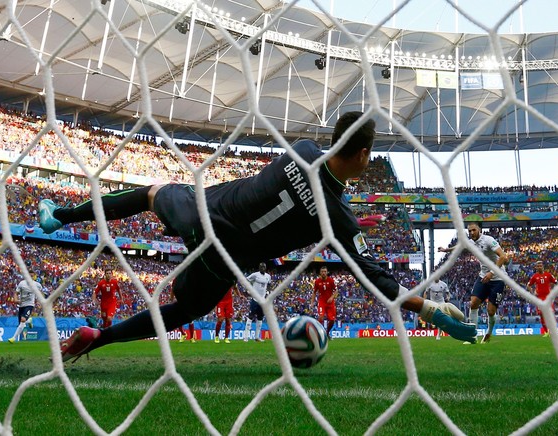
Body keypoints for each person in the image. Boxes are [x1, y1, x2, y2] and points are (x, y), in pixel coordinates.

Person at [42, 111, 476, 362]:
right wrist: (432, 310)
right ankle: (101, 338)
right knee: (186, 308)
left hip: (201, 214)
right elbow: (373, 276)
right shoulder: (338, 219)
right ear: (364, 155)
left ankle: (60, 216)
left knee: (152, 193)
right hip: (224, 259)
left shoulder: (304, 149)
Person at [438, 222, 509, 344]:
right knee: (473, 303)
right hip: (483, 276)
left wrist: (491, 273)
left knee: (491, 311)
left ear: (479, 230)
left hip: (498, 278)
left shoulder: (488, 240)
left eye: (473, 230)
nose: (471, 233)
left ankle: (489, 333)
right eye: (469, 231)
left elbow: (503, 256)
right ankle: (472, 336)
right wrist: (446, 249)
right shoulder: (471, 242)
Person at [526, 260, 557, 338]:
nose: (539, 267)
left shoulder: (548, 275)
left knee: (550, 313)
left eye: (540, 265)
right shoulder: (535, 276)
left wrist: (553, 291)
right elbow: (528, 285)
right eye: (538, 266)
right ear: (536, 267)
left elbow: (555, 282)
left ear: (543, 266)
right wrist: (533, 293)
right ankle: (546, 332)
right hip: (539, 298)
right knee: (541, 314)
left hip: (548, 298)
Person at [8, 275, 42, 344]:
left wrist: (39, 301)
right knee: (21, 323)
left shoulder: (37, 285)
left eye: (32, 276)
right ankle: (29, 321)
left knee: (22, 320)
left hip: (30, 305)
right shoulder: (22, 283)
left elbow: (40, 293)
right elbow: (16, 293)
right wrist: (15, 299)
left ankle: (13, 338)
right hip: (21, 305)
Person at [243, 263, 271, 342]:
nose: (262, 268)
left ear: (266, 268)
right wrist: (248, 289)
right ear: (259, 268)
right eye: (261, 267)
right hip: (255, 299)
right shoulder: (255, 275)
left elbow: (269, 284)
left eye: (264, 267)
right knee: (251, 316)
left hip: (262, 300)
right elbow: (246, 280)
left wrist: (268, 291)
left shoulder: (268, 276)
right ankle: (246, 337)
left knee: (260, 318)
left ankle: (257, 337)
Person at [311, 265, 338, 339]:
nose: (323, 273)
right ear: (320, 273)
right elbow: (314, 292)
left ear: (327, 272)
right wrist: (312, 302)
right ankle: (319, 333)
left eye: (325, 271)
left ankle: (327, 333)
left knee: (332, 320)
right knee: (320, 317)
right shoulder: (317, 281)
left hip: (330, 303)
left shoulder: (331, 280)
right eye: (322, 271)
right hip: (322, 302)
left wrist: (332, 297)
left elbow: (336, 290)